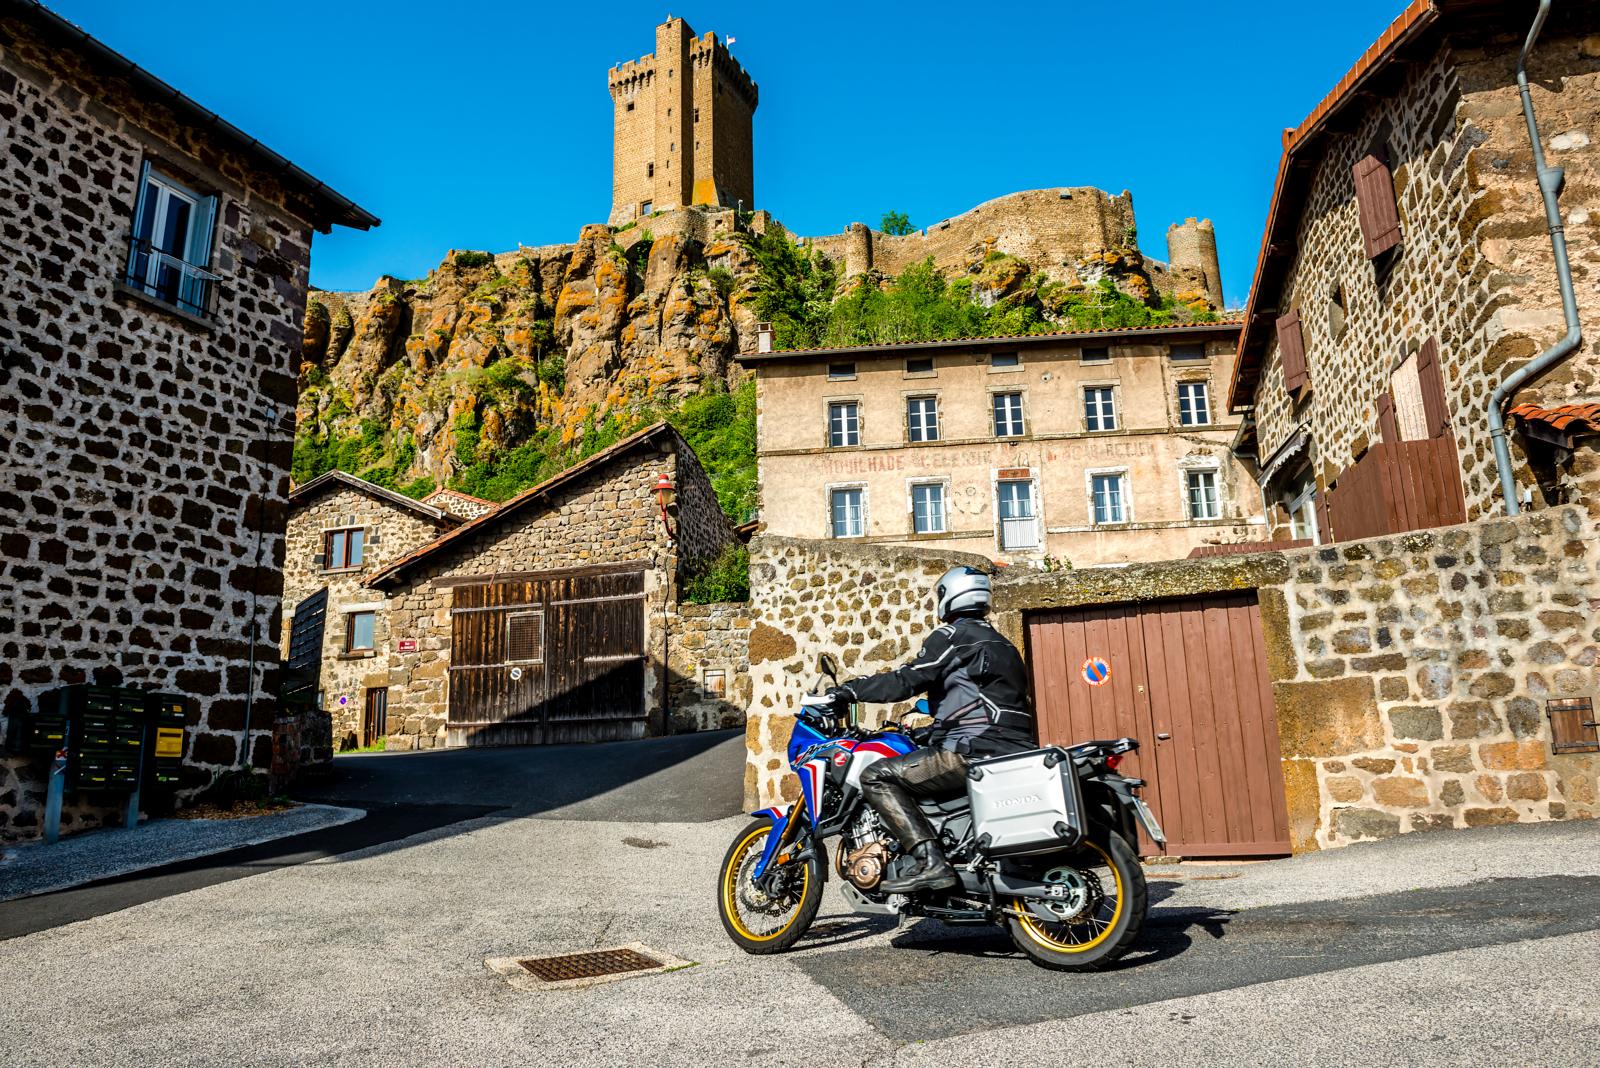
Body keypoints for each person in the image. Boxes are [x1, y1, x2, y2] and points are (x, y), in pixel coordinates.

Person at [824, 565, 1034, 894]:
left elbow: (906, 680)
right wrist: (929, 733)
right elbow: (977, 702)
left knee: (876, 776)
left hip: (972, 749)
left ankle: (930, 862)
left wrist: (851, 690)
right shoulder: (1004, 645)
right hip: (1013, 747)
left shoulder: (952, 637)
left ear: (950, 596)